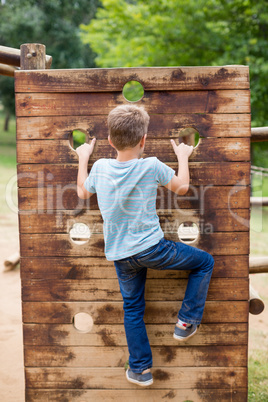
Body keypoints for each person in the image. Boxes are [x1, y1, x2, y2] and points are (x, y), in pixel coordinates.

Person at [76, 104, 214, 387]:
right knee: (204, 262)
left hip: (122, 256)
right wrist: (183, 156)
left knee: (133, 308)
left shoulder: (100, 167)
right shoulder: (151, 165)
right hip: (153, 249)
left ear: (111, 141)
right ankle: (186, 322)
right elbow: (183, 187)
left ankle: (140, 369)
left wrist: (83, 157)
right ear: (144, 140)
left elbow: (81, 191)